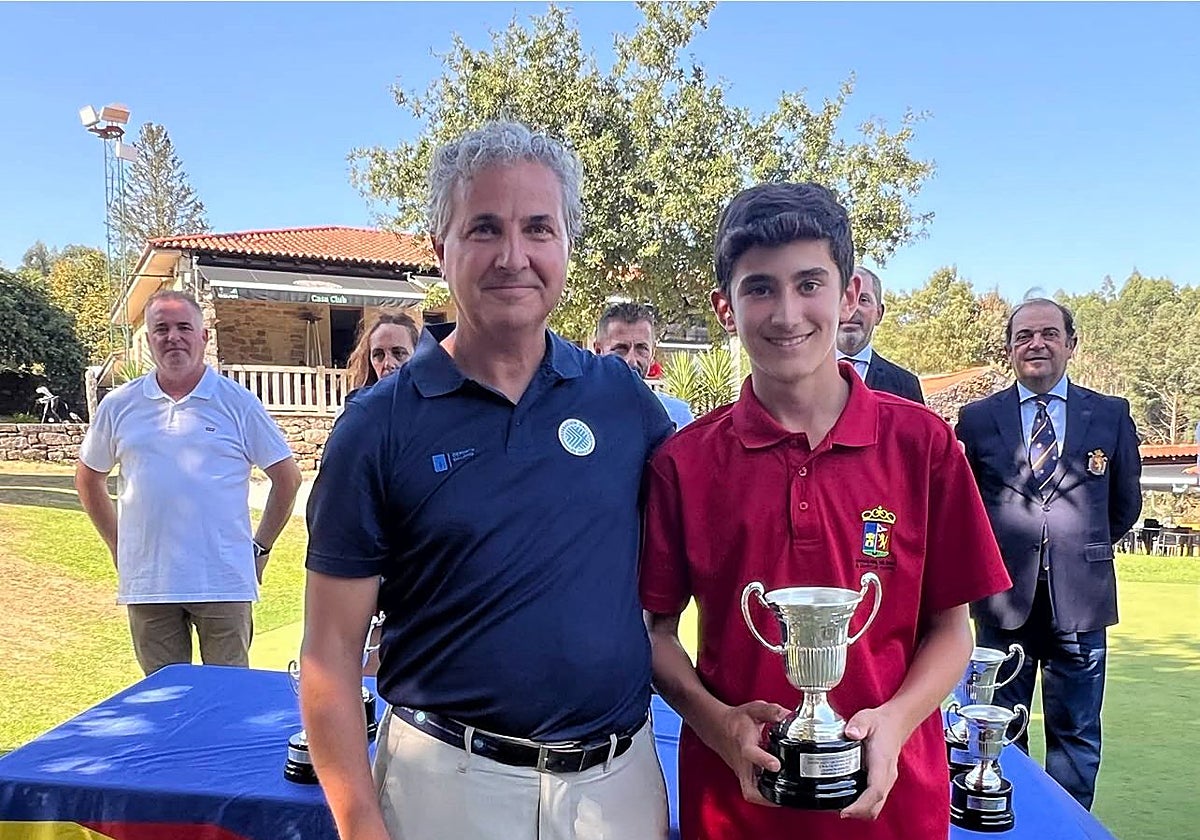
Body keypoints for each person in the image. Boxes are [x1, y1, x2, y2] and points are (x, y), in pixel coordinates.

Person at [300, 121, 673, 840]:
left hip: (617, 791)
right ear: (441, 250)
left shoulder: (623, 401)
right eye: (484, 229)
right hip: (447, 791)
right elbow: (329, 654)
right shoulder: (377, 427)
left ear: (566, 246)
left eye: (538, 227)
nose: (514, 256)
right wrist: (359, 825)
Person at [639, 182, 1011, 840]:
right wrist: (715, 722)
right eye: (760, 288)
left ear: (850, 296)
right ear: (726, 308)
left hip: (893, 810)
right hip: (736, 811)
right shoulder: (685, 463)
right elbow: (656, 636)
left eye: (809, 283)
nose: (787, 313)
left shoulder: (922, 444)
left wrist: (895, 722)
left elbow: (954, 633)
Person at [955, 298, 1142, 810]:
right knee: (996, 733)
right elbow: (962, 508)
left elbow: (1125, 503)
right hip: (1002, 605)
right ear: (1009, 349)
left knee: (1077, 737)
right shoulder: (975, 420)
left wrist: (1077, 552)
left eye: (1048, 334)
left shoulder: (1109, 414)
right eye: (1024, 336)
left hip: (1081, 605)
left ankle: (1067, 826)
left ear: (1070, 344)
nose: (1036, 343)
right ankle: (1004, 821)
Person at [75, 290, 301, 676]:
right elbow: (88, 479)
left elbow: (287, 479)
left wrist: (260, 548)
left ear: (204, 337)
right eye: (161, 329)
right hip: (150, 583)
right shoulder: (119, 405)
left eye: (184, 327)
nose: (172, 337)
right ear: (148, 340)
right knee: (164, 703)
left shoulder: (237, 403)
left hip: (223, 581)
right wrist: (118, 545)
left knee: (228, 700)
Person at [593, 301, 695, 428]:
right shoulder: (579, 411)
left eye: (641, 349)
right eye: (620, 349)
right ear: (598, 351)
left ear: (652, 353)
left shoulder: (678, 415)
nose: (632, 361)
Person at [836, 266, 924, 403]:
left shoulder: (905, 385)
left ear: (879, 314)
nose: (852, 309)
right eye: (844, 298)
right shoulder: (798, 377)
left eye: (863, 299)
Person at [345, 308, 421, 390]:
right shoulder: (361, 401)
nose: (388, 363)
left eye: (399, 353)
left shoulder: (433, 401)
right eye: (378, 355)